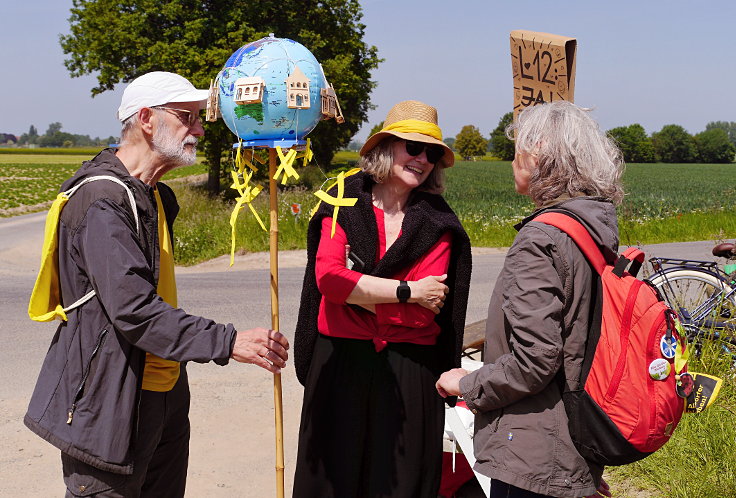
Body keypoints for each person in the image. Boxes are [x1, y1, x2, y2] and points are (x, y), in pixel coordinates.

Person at [24, 71, 290, 498]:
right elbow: (134, 310)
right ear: (146, 118)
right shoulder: (102, 201)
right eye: (187, 116)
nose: (199, 129)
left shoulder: (152, 194)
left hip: (161, 393)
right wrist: (227, 341)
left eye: (200, 118)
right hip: (110, 402)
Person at [436, 101, 622, 498]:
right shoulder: (591, 227)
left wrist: (466, 383)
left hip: (533, 450)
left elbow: (535, 360)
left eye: (516, 150)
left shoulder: (541, 239)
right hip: (574, 436)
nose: (511, 161)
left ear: (538, 154)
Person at [292, 100, 472, 497]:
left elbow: (425, 315)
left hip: (411, 368)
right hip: (340, 362)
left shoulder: (439, 222)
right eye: (413, 147)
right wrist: (406, 292)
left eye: (432, 153)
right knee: (330, 479)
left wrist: (356, 293)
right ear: (385, 146)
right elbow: (329, 280)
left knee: (400, 483)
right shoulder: (341, 201)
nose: (422, 159)